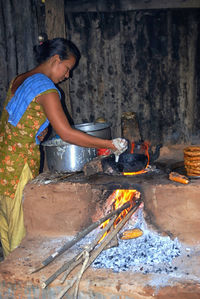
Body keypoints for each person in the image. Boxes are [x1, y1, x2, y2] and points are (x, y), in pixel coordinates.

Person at [0, 37, 127, 258]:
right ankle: (18, 279)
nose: (68, 75)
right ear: (56, 59)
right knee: (19, 229)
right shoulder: (46, 89)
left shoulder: (19, 79)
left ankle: (8, 271)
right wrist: (109, 144)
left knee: (6, 221)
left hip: (3, 158)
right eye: (67, 68)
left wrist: (38, 131)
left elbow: (17, 117)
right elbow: (67, 134)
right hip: (18, 165)